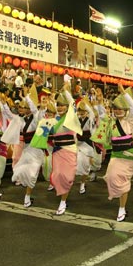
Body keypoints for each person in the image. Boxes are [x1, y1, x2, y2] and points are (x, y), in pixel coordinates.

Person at [91, 84, 133, 222]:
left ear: (125, 109)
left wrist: (124, 94)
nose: (117, 111)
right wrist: (99, 102)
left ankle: (122, 208)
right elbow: (102, 116)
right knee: (111, 177)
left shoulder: (131, 120)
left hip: (129, 157)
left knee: (122, 179)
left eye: (120, 108)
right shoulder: (111, 122)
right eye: (115, 108)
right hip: (116, 156)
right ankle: (121, 202)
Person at [47, 81, 82, 214]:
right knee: (57, 175)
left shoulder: (70, 118)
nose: (60, 107)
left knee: (66, 176)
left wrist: (66, 91)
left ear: (67, 107)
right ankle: (61, 194)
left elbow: (73, 104)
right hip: (57, 152)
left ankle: (63, 202)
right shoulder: (54, 120)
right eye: (58, 105)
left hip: (69, 150)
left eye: (63, 105)